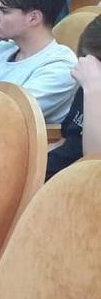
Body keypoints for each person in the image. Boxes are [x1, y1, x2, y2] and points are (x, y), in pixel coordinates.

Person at [46, 16, 101, 179]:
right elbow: (65, 139)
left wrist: (94, 89)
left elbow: (94, 168)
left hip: (77, 187)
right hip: (52, 175)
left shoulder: (92, 86)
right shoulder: (88, 85)